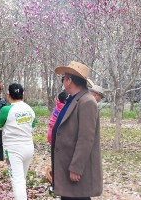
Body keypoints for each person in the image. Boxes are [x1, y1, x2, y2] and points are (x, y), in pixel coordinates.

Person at [51, 61, 103, 200]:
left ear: (69, 80)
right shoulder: (73, 99)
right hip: (65, 162)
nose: (63, 82)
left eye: (64, 78)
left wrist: (76, 167)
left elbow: (86, 138)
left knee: (78, 197)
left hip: (75, 168)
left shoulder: (87, 102)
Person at [0, 83, 36, 200]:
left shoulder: (6, 109)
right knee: (21, 178)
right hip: (28, 147)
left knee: (17, 181)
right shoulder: (29, 109)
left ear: (8, 95)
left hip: (13, 149)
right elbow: (33, 125)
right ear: (23, 95)